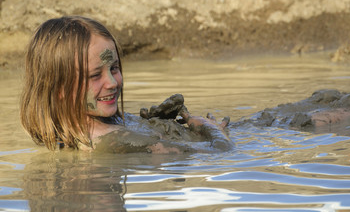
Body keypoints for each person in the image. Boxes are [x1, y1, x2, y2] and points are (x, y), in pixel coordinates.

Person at [20, 16, 233, 154]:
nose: (112, 83)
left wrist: (158, 123)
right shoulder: (117, 142)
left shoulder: (66, 132)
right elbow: (219, 154)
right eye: (95, 75)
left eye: (114, 68)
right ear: (59, 88)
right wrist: (212, 130)